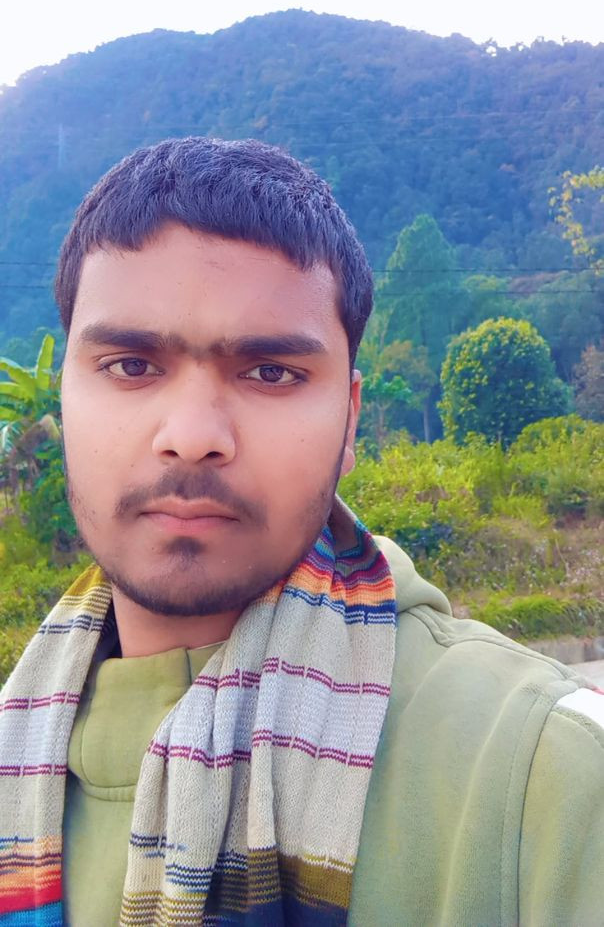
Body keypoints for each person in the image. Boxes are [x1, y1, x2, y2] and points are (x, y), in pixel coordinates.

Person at [0, 137, 602, 927]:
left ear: (349, 420)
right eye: (131, 366)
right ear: (64, 397)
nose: (192, 435)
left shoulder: (545, 779)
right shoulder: (17, 743)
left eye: (271, 372)